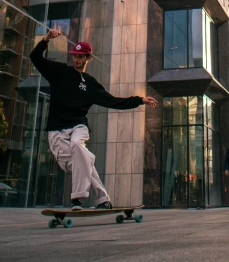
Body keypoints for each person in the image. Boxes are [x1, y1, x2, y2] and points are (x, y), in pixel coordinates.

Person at [30, 29, 158, 209]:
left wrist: (140, 100)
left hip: (78, 127)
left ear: (88, 58)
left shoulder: (90, 84)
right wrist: (46, 39)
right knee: (80, 163)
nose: (76, 60)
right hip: (56, 130)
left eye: (81, 57)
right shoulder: (59, 72)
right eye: (75, 56)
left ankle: (76, 199)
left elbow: (112, 101)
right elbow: (35, 57)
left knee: (77, 147)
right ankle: (103, 199)